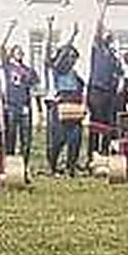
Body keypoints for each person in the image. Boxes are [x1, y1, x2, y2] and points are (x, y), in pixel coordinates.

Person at [45, 18, 85, 176]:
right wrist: (71, 36)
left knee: (75, 139)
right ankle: (53, 166)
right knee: (58, 139)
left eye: (74, 58)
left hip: (75, 107)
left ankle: (71, 167)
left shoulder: (75, 74)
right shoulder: (57, 69)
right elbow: (52, 52)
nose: (72, 60)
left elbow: (82, 89)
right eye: (70, 57)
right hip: (60, 106)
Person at [87, 0, 123, 158]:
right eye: (107, 34)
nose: (109, 35)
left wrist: (121, 82)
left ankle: (105, 152)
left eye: (111, 35)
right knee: (96, 123)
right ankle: (92, 154)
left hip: (109, 93)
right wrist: (103, 8)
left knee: (108, 124)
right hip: (96, 91)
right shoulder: (98, 49)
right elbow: (98, 28)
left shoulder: (113, 56)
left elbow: (120, 73)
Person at [0, 26, 38, 168]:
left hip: (25, 107)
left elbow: (35, 87)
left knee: (26, 139)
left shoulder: (28, 70)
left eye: (21, 52)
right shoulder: (8, 67)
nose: (19, 54)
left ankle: (24, 166)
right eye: (17, 52)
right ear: (12, 54)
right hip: (11, 106)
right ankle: (9, 166)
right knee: (11, 138)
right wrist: (10, 29)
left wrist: (37, 108)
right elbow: (2, 48)